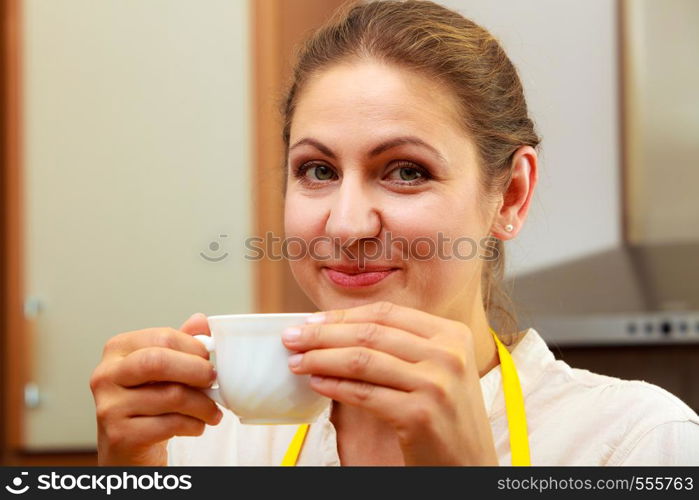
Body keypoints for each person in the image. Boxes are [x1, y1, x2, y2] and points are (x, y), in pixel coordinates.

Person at [89, 0, 699, 466]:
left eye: (406, 172)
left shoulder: (637, 444)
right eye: (318, 170)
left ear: (510, 195)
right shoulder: (209, 445)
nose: (348, 225)